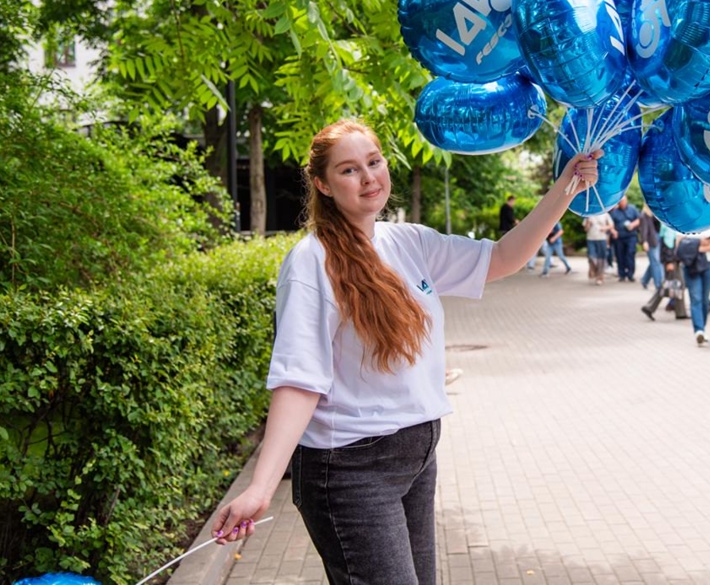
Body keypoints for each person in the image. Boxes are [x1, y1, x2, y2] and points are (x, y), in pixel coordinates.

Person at [209, 120, 601, 583]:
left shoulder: (408, 241)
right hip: (350, 469)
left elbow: (501, 258)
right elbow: (299, 378)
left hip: (416, 456)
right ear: (323, 184)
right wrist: (261, 486)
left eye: (374, 162)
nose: (369, 177)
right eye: (349, 170)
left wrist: (567, 186)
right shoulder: (312, 261)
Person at [683, 226, 710, 345]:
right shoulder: (685, 220)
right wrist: (702, 242)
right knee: (696, 298)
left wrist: (695, 247)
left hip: (709, 263)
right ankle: (699, 330)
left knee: (705, 299)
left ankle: (702, 328)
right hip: (691, 264)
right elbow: (680, 246)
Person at [609, 197, 641, 282]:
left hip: (631, 236)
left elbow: (639, 219)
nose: (621, 203)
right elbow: (610, 224)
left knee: (630, 254)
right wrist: (613, 231)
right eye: (620, 202)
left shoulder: (632, 209)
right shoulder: (614, 212)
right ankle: (621, 274)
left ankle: (630, 274)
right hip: (619, 237)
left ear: (626, 201)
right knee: (620, 256)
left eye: (623, 201)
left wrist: (633, 225)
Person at [583, 210, 614, 285]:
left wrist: (604, 228)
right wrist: (588, 223)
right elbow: (585, 229)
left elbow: (611, 225)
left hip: (602, 238)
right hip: (591, 239)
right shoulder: (589, 215)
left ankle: (600, 277)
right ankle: (593, 270)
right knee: (591, 256)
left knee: (601, 258)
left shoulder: (605, 214)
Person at [638, 205, 663, 291]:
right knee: (655, 262)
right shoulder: (644, 215)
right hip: (650, 241)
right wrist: (644, 241)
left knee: (654, 262)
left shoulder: (652, 215)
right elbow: (643, 230)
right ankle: (658, 284)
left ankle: (644, 280)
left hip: (656, 239)